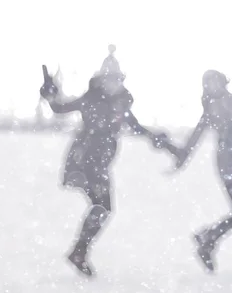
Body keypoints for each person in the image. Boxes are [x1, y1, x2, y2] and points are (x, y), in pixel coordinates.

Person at [40, 63, 175, 277]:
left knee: (102, 207)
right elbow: (60, 109)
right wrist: (50, 95)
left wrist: (162, 142)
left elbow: (136, 126)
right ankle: (79, 251)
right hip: (85, 159)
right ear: (101, 81)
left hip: (99, 161)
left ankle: (79, 251)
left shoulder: (120, 105)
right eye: (110, 79)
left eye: (118, 79)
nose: (115, 83)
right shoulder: (90, 99)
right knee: (103, 206)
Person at [169, 68, 232, 273]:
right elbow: (196, 136)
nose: (213, 86)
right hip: (231, 163)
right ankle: (208, 238)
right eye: (208, 83)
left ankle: (208, 238)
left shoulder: (229, 100)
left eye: (215, 81)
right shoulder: (212, 108)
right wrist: (182, 156)